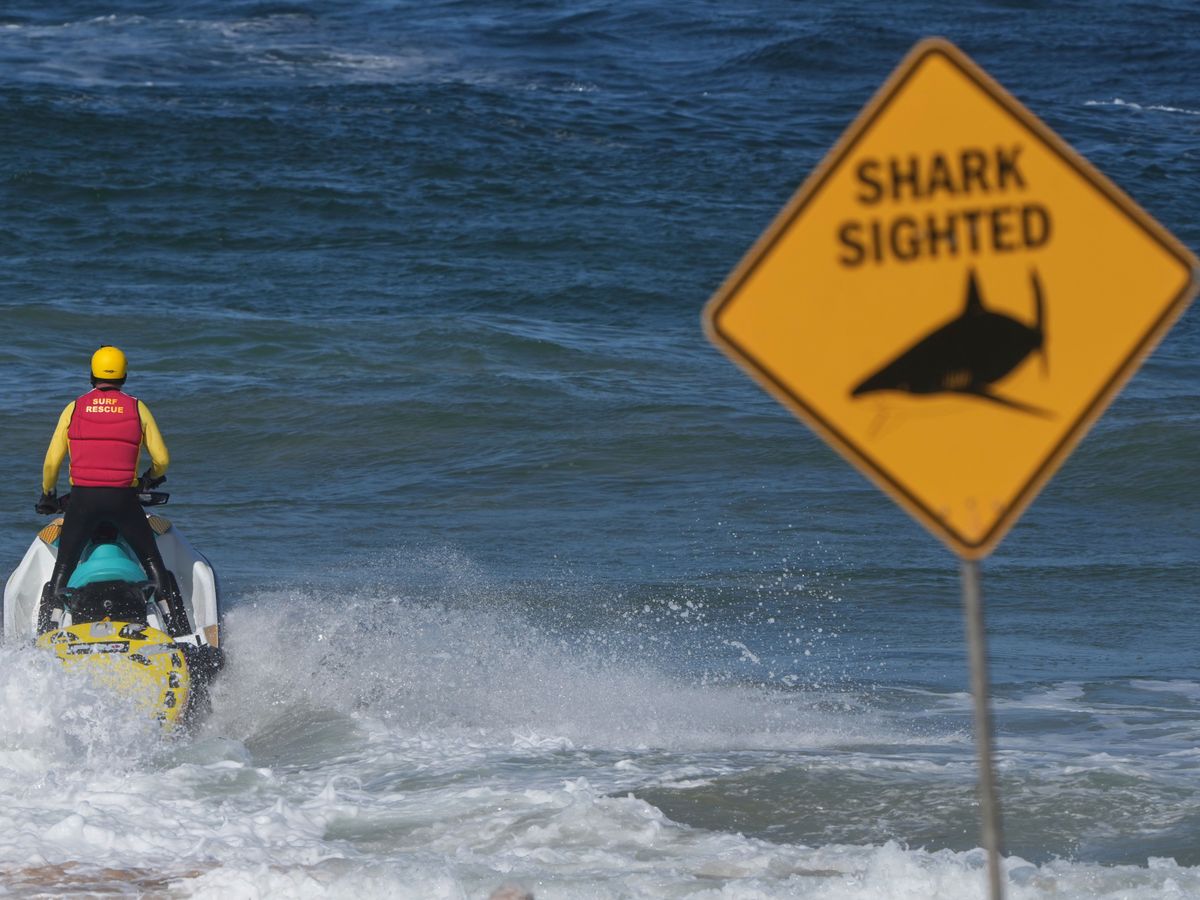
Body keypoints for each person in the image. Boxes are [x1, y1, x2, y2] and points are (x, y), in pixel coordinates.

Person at [36, 346, 189, 636]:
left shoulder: (74, 408)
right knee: (152, 562)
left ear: (91, 375)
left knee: (63, 567)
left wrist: (48, 495)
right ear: (124, 376)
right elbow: (162, 459)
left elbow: (51, 462)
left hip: (82, 501)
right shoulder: (137, 407)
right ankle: (181, 632)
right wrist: (150, 478)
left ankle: (45, 634)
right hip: (123, 500)